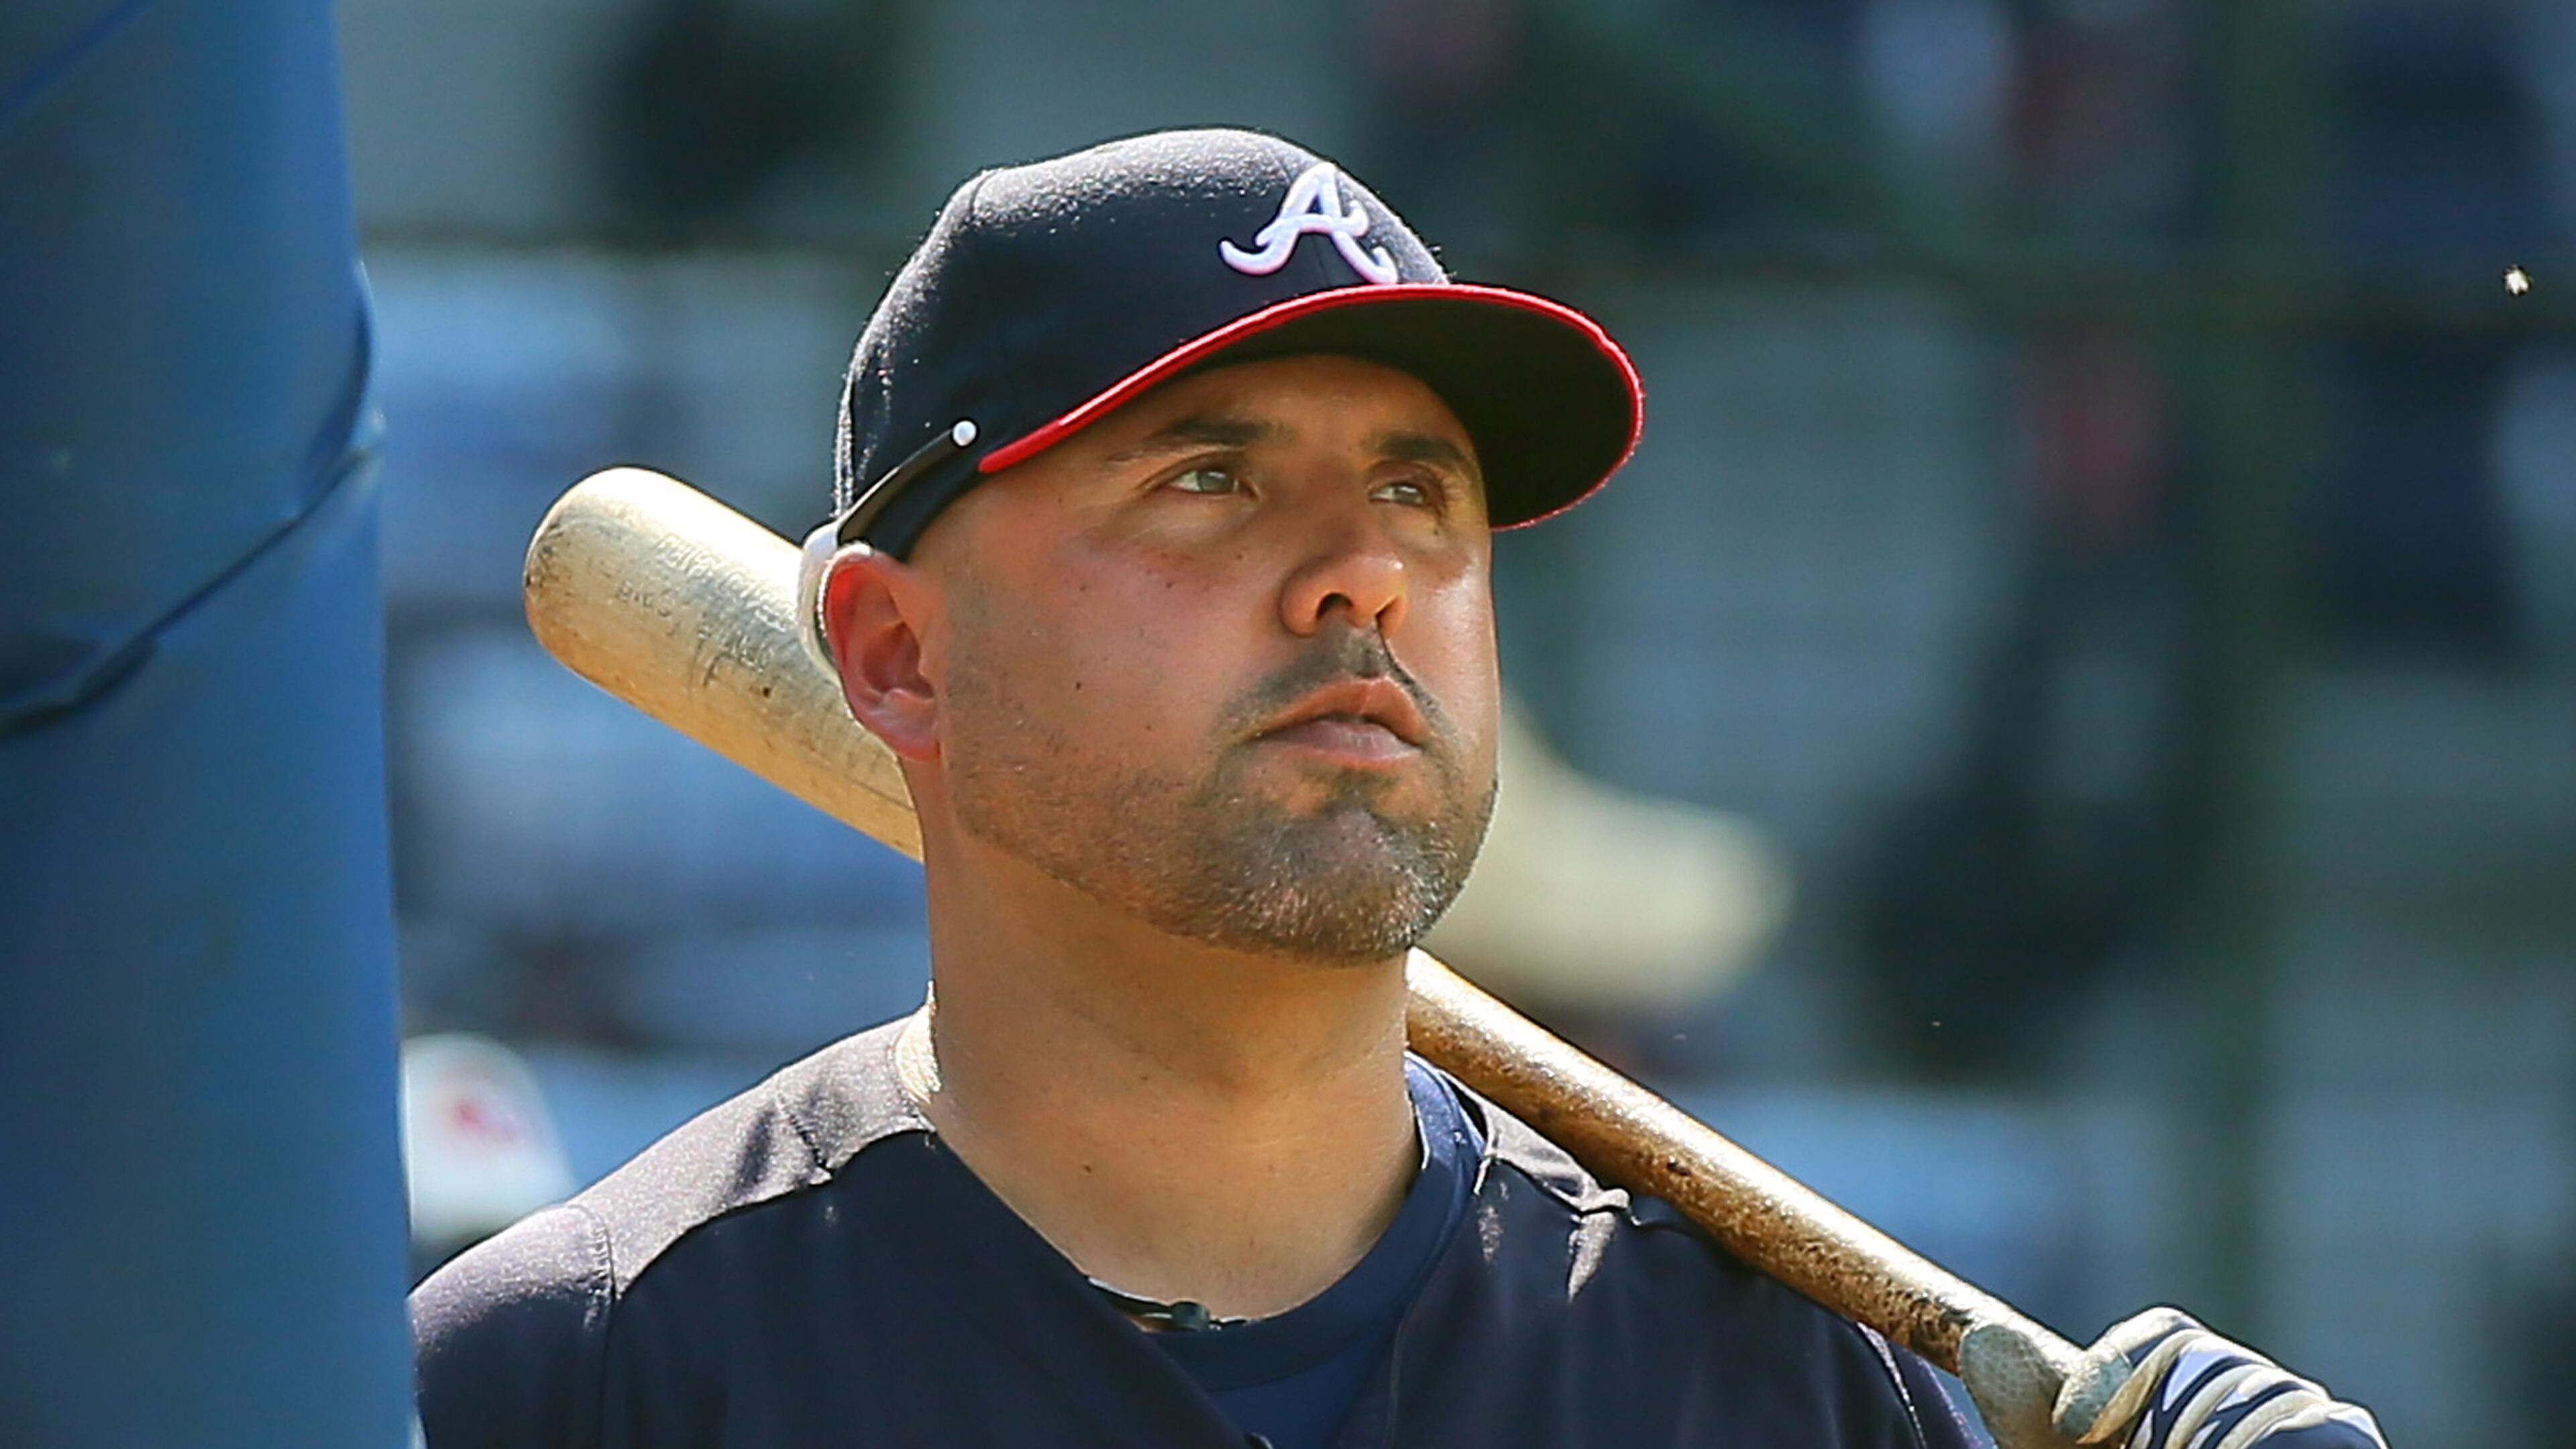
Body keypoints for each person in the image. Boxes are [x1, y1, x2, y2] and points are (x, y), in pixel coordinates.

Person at [412, 127, 2384, 1449]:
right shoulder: (575, 1382)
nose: (1363, 568)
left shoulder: (1771, 1389)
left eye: (1421, 491)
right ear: (897, 653)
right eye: (1207, 477)